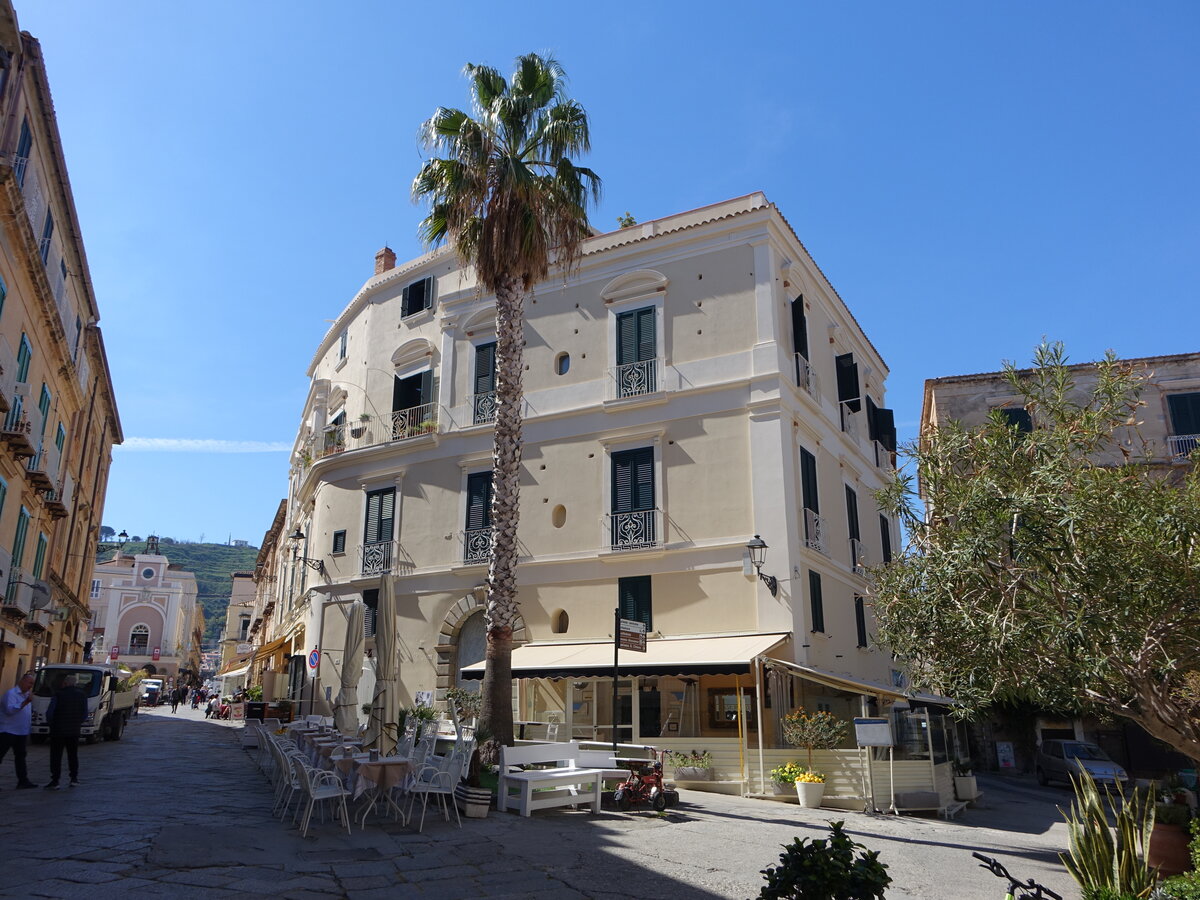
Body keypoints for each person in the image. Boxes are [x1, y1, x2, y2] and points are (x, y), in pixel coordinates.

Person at [45, 674, 87, 789]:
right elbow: (84, 714)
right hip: (74, 730)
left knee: (56, 756)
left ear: (65, 683)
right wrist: (77, 722)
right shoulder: (82, 695)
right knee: (73, 755)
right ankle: (73, 778)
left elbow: (50, 713)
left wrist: (52, 723)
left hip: (58, 730)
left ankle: (55, 781)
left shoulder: (58, 694)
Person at [0, 670, 38, 789]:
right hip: (8, 731)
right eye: (29, 683)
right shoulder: (11, 694)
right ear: (22, 681)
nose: (30, 686)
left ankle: (23, 780)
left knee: (21, 756)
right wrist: (25, 702)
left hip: (21, 732)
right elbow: (10, 711)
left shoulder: (27, 695)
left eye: (32, 684)